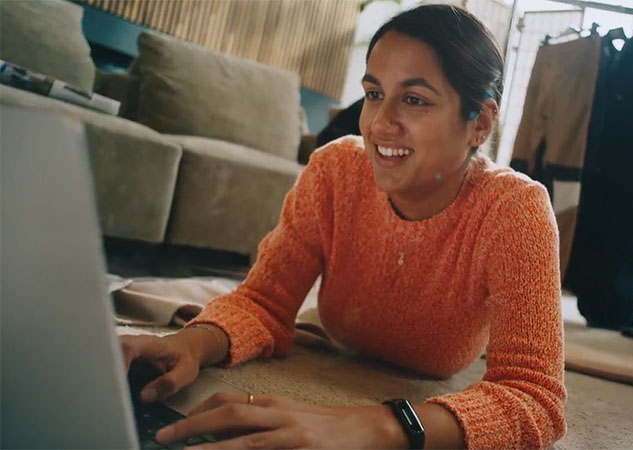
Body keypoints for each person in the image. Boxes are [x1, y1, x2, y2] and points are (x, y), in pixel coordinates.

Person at [120, 5, 567, 449]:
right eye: (374, 94)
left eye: (414, 100)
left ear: (480, 123)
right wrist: (193, 343)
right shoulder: (335, 169)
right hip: (334, 335)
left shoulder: (514, 208)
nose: (378, 123)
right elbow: (264, 300)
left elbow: (535, 398)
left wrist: (382, 426)